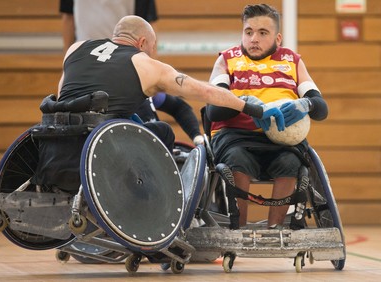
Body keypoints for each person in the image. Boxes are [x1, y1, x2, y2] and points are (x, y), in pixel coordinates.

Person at [58, 15, 285, 150]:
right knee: (162, 131)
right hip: (106, 146)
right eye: (153, 48)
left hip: (62, 137)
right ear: (142, 42)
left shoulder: (76, 48)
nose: (153, 54)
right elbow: (205, 91)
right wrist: (251, 107)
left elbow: (63, 97)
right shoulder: (145, 64)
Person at [207, 4, 328, 229]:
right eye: (249, 32)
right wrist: (245, 104)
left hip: (282, 140)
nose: (254, 38)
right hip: (236, 137)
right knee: (237, 159)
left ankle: (276, 231)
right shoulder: (226, 60)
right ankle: (238, 230)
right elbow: (214, 110)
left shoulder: (292, 61)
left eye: (263, 33)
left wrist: (306, 103)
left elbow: (322, 108)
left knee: (292, 162)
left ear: (277, 38)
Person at [59, 0, 203, 145]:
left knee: (162, 131)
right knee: (163, 130)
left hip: (125, 68)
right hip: (118, 144)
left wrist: (198, 138)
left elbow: (179, 107)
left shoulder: (139, 81)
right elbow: (67, 17)